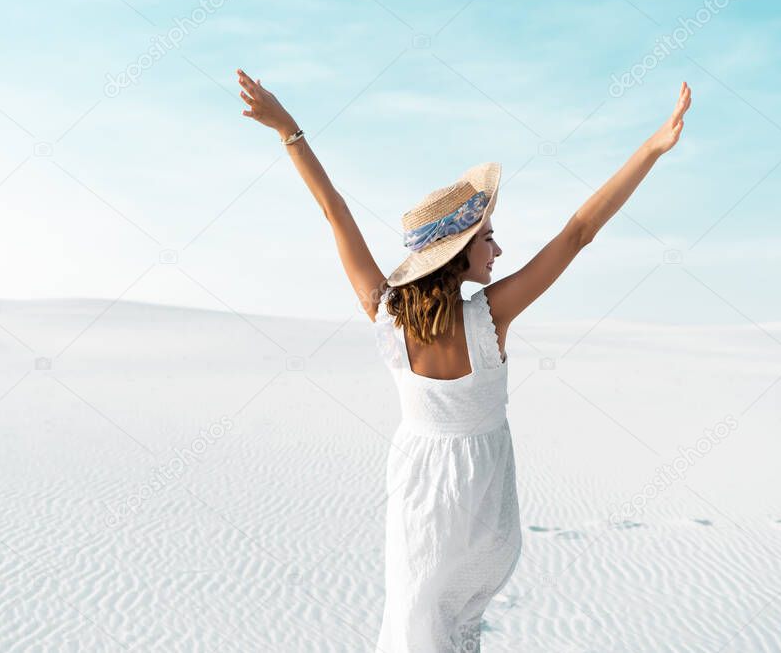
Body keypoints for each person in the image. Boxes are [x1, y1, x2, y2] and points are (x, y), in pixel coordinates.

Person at [237, 67, 691, 651]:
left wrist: (289, 130)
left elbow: (333, 211)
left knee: (415, 625)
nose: (498, 249)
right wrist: (651, 148)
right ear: (456, 255)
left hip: (420, 498)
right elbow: (579, 231)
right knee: (453, 629)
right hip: (485, 513)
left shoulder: (387, 315)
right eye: (488, 239)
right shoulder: (491, 317)